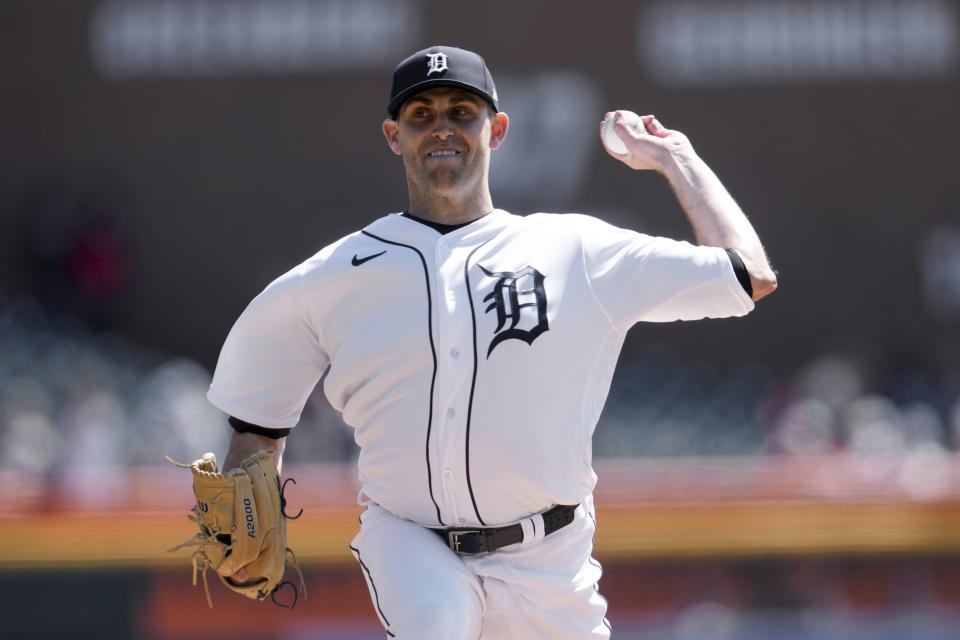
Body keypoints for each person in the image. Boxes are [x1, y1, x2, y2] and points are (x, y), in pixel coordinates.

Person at [207, 45, 777, 638]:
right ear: (393, 135)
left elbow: (748, 275)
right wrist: (248, 502)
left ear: (496, 129)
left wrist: (676, 159)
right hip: (410, 540)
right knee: (437, 621)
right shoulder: (333, 277)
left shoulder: (574, 251)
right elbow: (257, 417)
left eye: (461, 111)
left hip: (550, 560)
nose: (442, 128)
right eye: (420, 115)